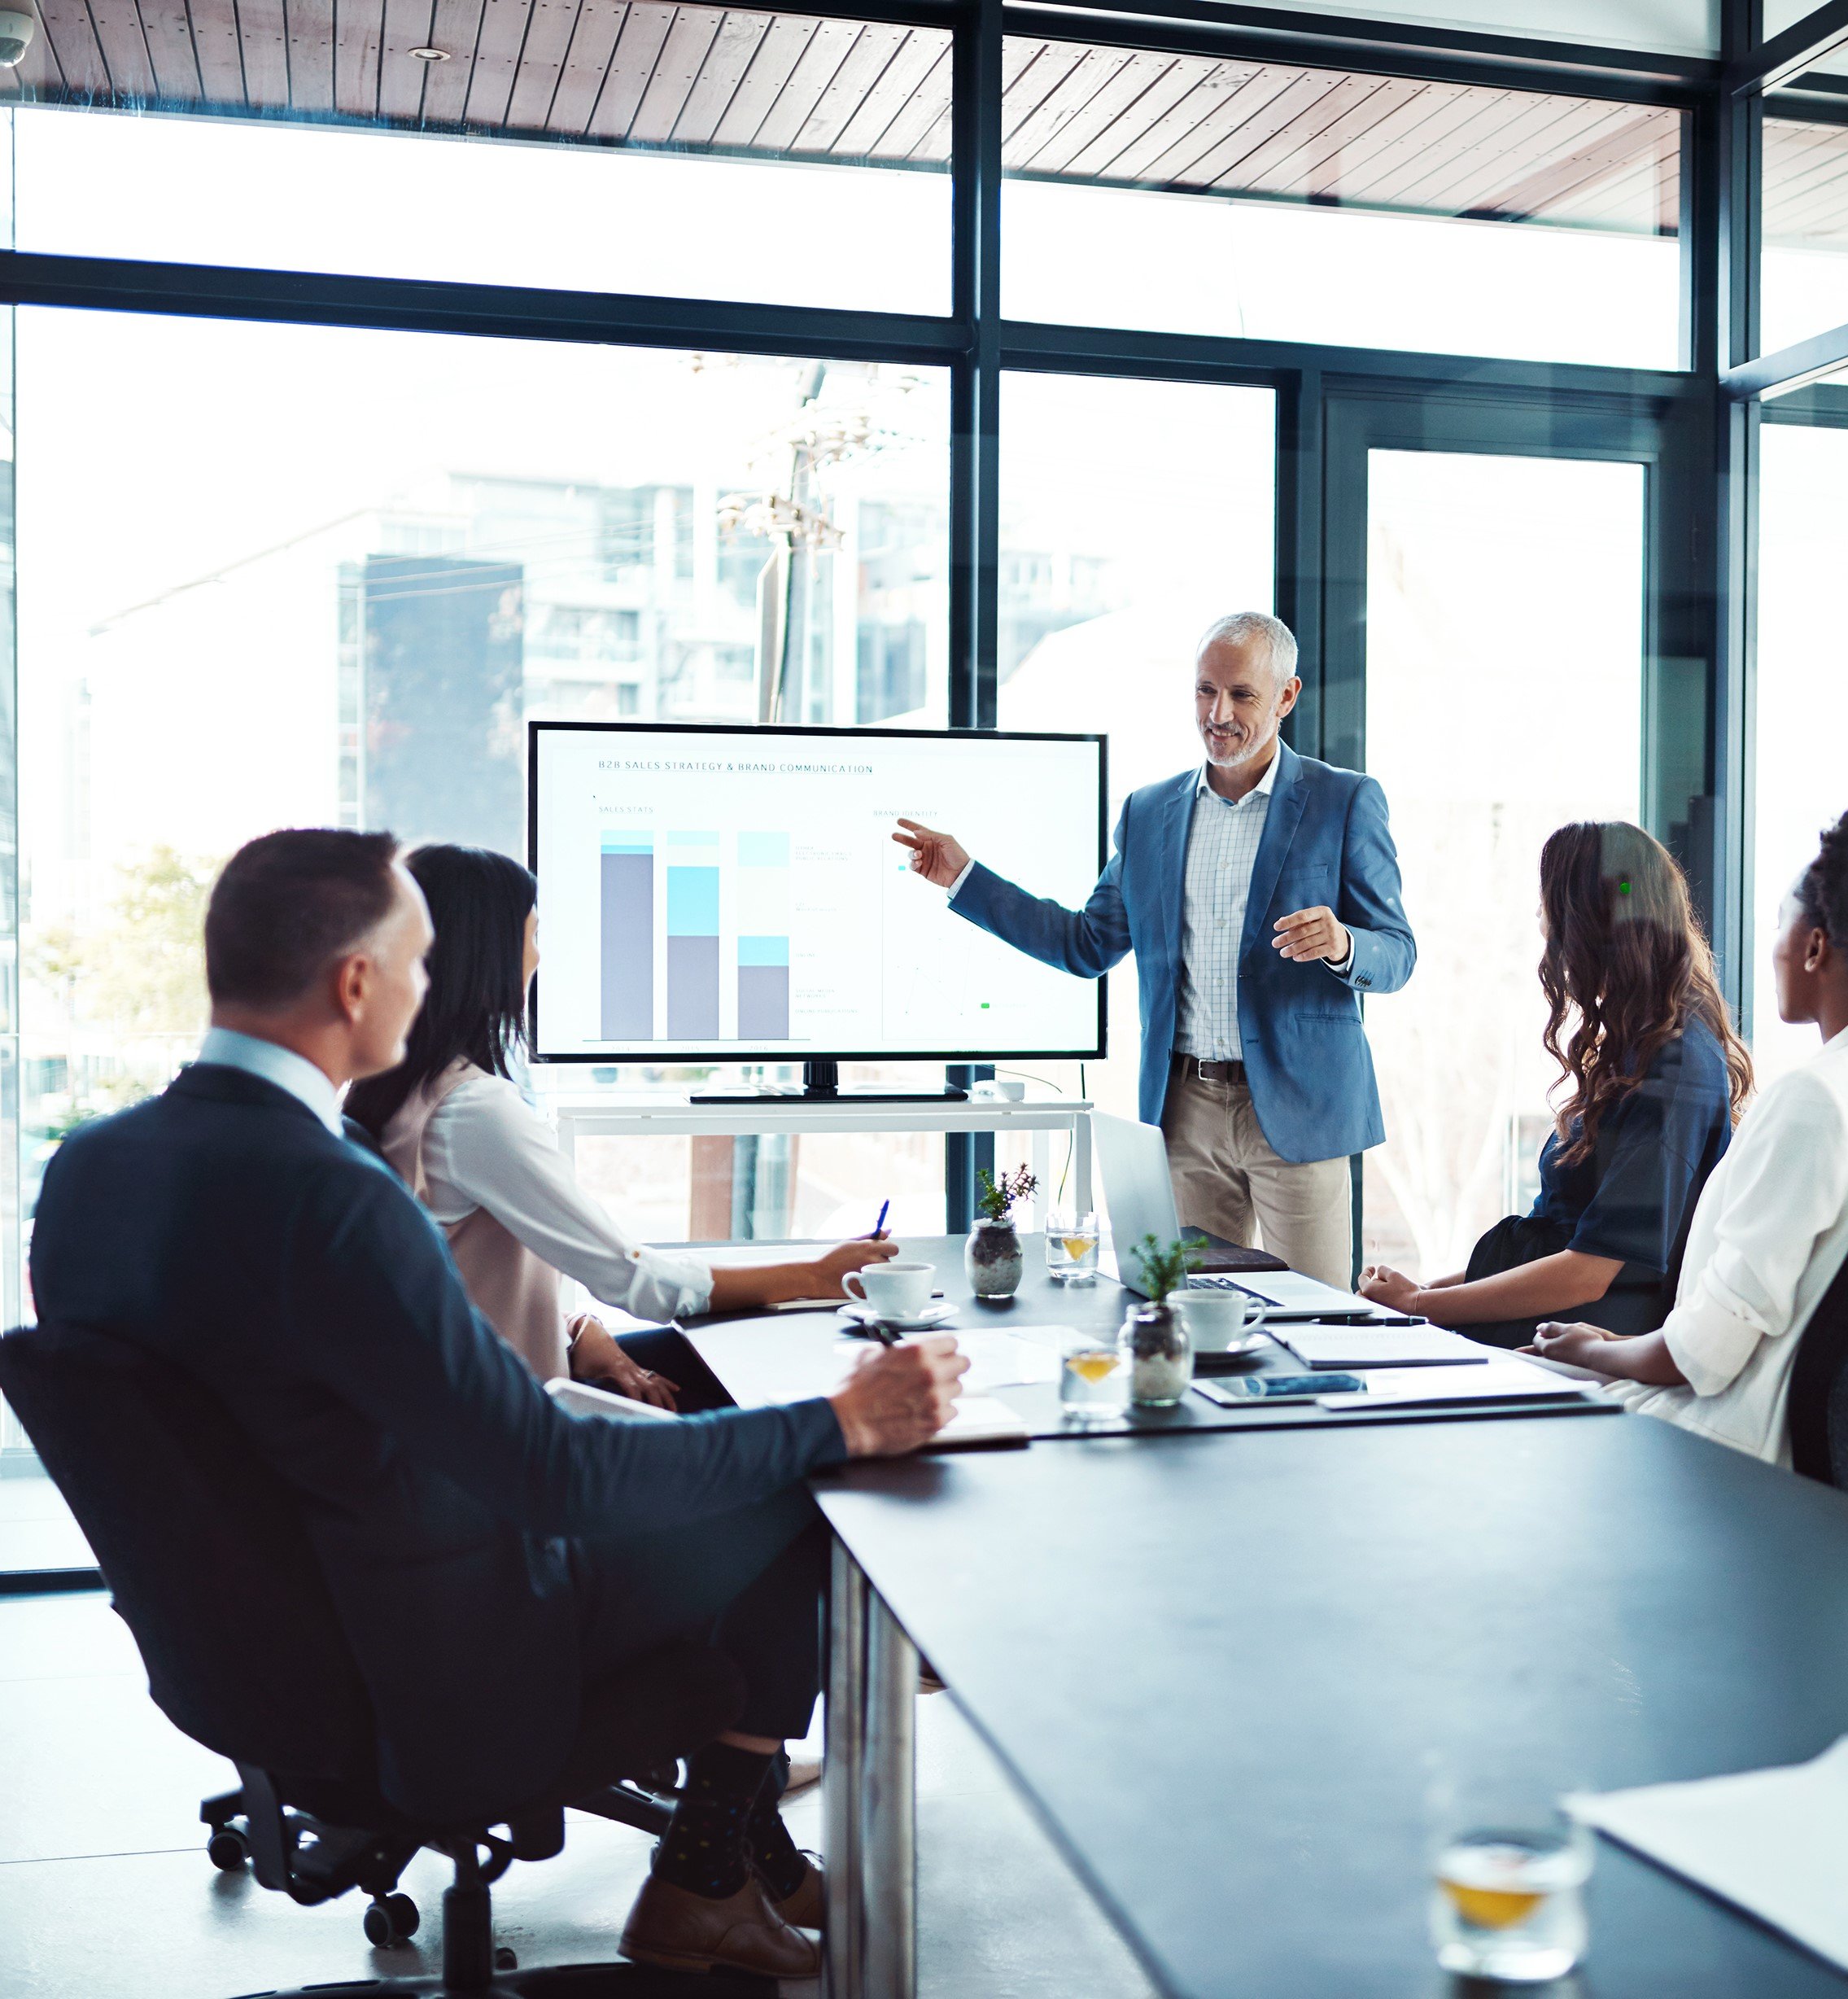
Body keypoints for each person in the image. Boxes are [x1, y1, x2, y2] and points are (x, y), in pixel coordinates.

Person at [28, 829, 968, 1978]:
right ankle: (705, 1879)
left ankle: (734, 1855)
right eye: (417, 966)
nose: (431, 992)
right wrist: (839, 1421)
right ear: (357, 982)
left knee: (717, 1467)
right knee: (797, 1498)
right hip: (444, 1658)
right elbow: (548, 1476)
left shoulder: (87, 1173)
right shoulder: (335, 1198)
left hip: (254, 1657)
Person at [894, 611, 1413, 1287]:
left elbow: (1397, 953)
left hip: (1300, 1111)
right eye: (1205, 690)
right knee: (1189, 1317)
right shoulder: (1149, 812)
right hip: (1184, 1112)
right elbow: (1085, 944)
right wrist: (966, 877)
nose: (1218, 713)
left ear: (1287, 697)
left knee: (1313, 1318)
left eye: (1242, 695)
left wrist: (1344, 943)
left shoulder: (1344, 802)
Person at [345, 842, 895, 1408]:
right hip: (515, 1426)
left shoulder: (394, 1092)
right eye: (533, 937)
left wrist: (578, 1329)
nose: (539, 958)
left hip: (461, 1399)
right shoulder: (474, 1113)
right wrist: (817, 1276)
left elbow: (457, 1283)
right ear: (489, 955)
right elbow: (639, 1282)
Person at [1531, 796, 1848, 1465]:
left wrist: (1595, 1351)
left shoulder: (1816, 1100)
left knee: (1480, 1396)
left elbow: (1702, 1357)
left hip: (1721, 1449)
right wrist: (1606, 1349)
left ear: (1813, 945)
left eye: (1781, 922)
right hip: (1781, 1445)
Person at [1359, 821, 1750, 1347]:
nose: (1541, 921)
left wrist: (1420, 1305)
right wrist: (1419, 1295)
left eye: (1549, 905)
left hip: (1582, 1337)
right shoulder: (1640, 1048)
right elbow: (1558, 1245)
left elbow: (1588, 1271)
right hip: (1557, 1321)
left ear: (1586, 924)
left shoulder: (1674, 1069)